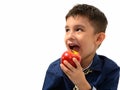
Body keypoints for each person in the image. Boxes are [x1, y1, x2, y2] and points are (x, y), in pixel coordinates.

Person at [42, 4, 120, 90]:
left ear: (98, 38)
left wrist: (82, 84)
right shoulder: (55, 69)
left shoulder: (110, 69)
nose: (70, 36)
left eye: (78, 29)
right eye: (67, 30)